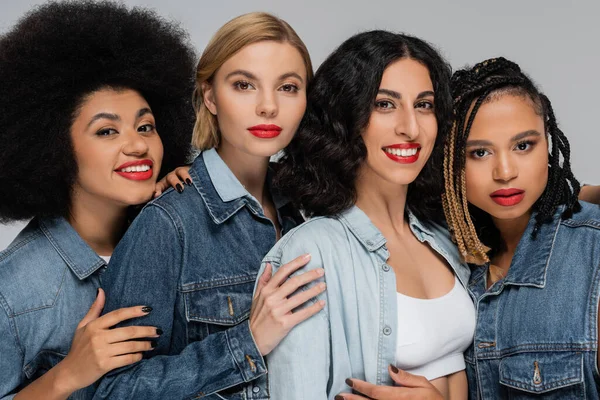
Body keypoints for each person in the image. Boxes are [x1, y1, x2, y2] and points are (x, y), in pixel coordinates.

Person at [95, 12, 325, 399]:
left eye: (287, 87)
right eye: (243, 85)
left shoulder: (304, 207)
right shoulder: (169, 224)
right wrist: (246, 340)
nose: (268, 106)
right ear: (210, 96)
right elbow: (109, 390)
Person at [256, 30, 473, 400]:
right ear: (347, 116)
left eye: (424, 105)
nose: (410, 127)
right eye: (385, 105)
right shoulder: (312, 253)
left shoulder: (444, 234)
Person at [0, 2, 196, 399]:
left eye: (146, 126)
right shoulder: (15, 290)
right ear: (54, 148)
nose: (138, 144)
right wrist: (69, 374)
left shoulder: (172, 231)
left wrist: (186, 201)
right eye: (107, 131)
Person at [443, 57, 600, 399]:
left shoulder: (593, 254)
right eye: (480, 153)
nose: (504, 171)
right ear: (451, 162)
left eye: (523, 145)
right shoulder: (443, 259)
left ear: (548, 143)